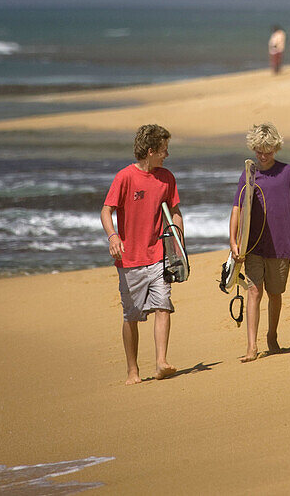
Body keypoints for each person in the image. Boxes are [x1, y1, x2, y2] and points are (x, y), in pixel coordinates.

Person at [101, 123, 183, 385]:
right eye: (163, 150)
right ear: (150, 151)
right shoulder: (125, 177)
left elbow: (176, 211)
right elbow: (106, 211)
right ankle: (132, 370)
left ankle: (161, 362)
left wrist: (178, 240)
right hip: (130, 260)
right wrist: (113, 236)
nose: (166, 155)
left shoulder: (167, 177)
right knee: (131, 317)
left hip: (159, 254)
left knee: (163, 306)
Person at [229, 122, 290, 362]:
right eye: (258, 150)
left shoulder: (287, 171)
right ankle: (251, 346)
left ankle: (272, 336)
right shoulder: (249, 174)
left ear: (276, 148)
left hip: (280, 243)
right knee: (254, 291)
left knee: (275, 293)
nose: (263, 155)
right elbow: (237, 207)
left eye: (267, 150)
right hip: (253, 244)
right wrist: (233, 240)